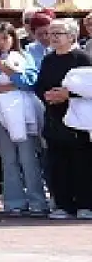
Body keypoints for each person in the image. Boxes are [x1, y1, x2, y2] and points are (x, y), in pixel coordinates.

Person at [0, 23, 48, 217]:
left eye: (5, 38)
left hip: (24, 114)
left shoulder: (25, 57)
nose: (2, 42)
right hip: (0, 114)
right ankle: (14, 201)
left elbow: (30, 83)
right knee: (8, 158)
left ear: (13, 38)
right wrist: (12, 86)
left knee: (28, 157)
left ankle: (37, 200)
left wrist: (10, 73)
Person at [36, 18, 92, 219]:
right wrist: (47, 95)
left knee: (82, 163)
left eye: (57, 33)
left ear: (71, 36)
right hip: (54, 118)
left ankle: (85, 204)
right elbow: (40, 84)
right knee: (57, 164)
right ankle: (62, 205)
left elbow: (89, 86)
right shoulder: (48, 59)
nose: (52, 37)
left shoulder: (82, 58)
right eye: (51, 33)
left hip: (78, 120)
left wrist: (68, 94)